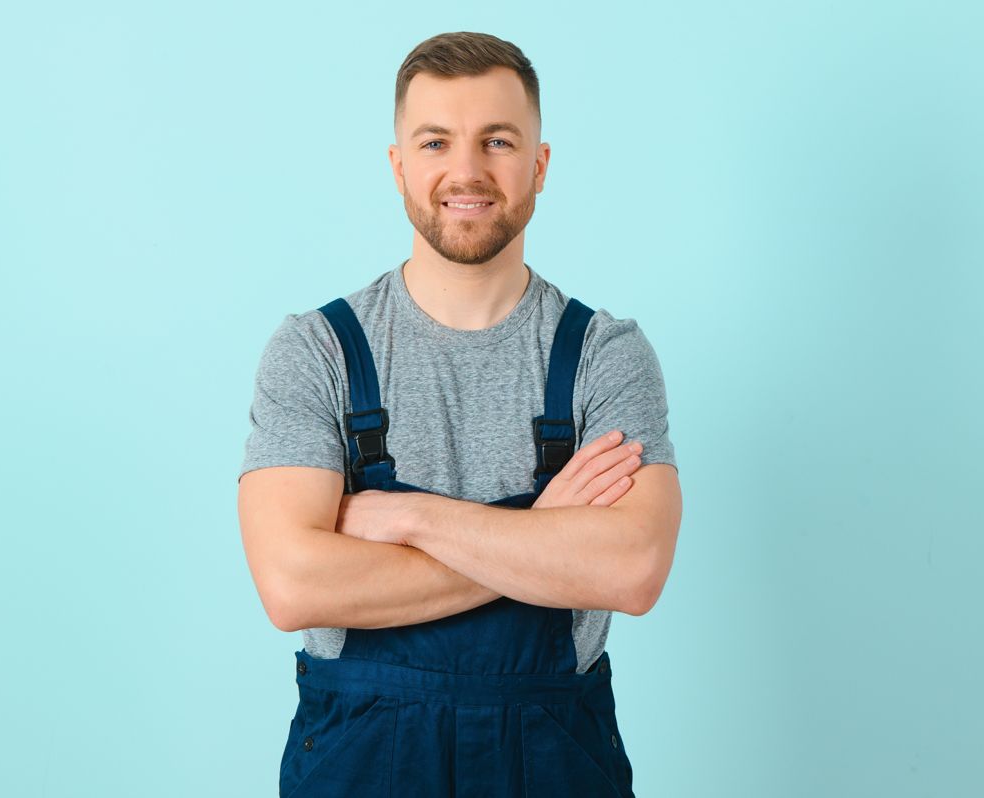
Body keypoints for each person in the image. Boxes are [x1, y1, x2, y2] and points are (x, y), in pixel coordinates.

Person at [238, 31, 682, 798]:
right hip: (362, 765)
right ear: (398, 165)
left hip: (553, 761)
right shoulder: (316, 350)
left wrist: (407, 519)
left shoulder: (606, 353)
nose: (466, 171)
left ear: (539, 166)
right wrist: (543, 532)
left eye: (498, 140)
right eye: (436, 140)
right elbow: (293, 585)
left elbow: (632, 570)